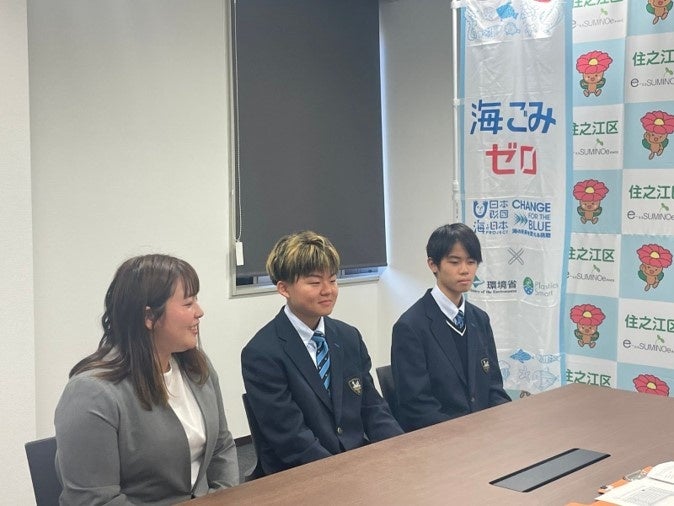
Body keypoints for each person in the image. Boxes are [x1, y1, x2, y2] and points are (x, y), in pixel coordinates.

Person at [54, 254, 239, 505]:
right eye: (188, 303)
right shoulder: (92, 394)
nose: (199, 312)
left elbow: (221, 446)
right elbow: (96, 500)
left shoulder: (197, 368)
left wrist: (225, 497)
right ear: (149, 317)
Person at [241, 231, 402, 475]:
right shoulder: (262, 353)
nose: (328, 290)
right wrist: (341, 473)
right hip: (300, 474)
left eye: (333, 280)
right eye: (315, 283)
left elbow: (373, 408)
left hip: (355, 464)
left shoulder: (348, 337)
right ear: (284, 288)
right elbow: (291, 438)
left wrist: (401, 449)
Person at [391, 223, 511, 432]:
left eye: (471, 262)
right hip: (441, 438)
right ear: (433, 264)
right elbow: (417, 406)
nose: (465, 270)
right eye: (455, 262)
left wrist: (505, 423)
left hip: (486, 434)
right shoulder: (410, 326)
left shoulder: (479, 319)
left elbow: (494, 387)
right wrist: (465, 434)